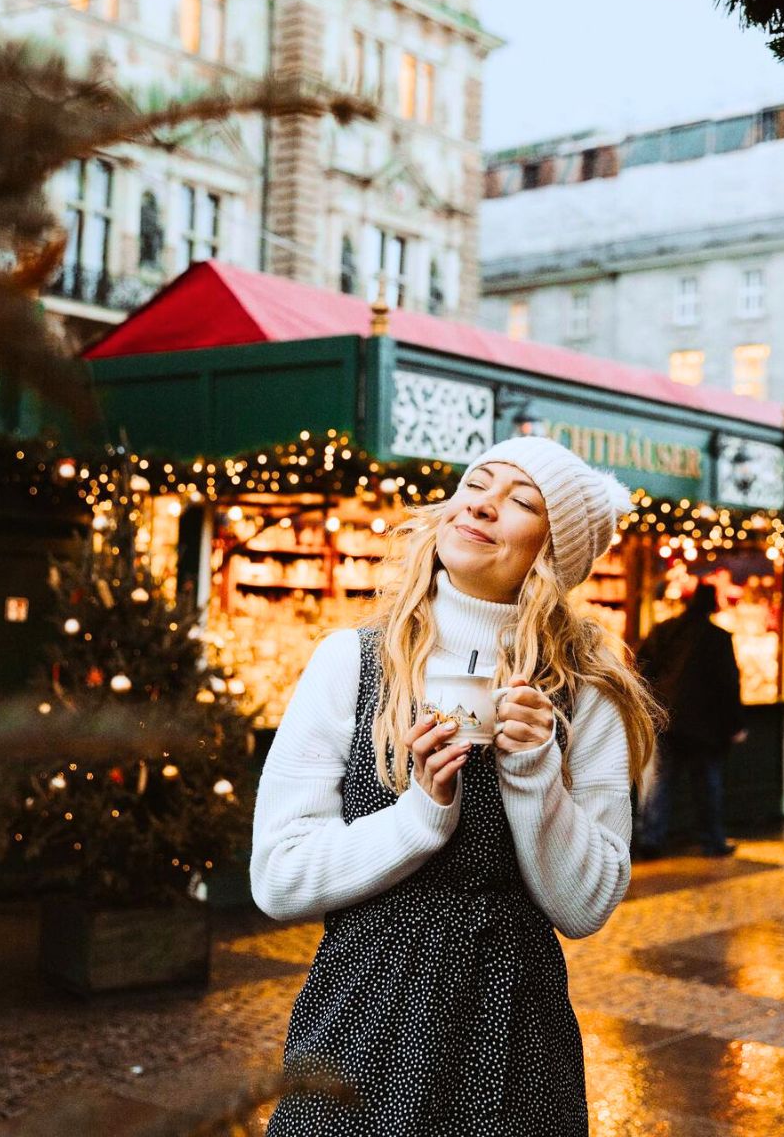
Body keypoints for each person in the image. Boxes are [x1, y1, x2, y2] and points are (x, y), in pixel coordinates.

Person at [251, 437, 658, 1136]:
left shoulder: (587, 693)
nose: (484, 503)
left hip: (515, 1027)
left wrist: (533, 773)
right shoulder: (351, 661)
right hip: (364, 1009)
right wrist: (420, 817)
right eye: (479, 482)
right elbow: (277, 878)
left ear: (552, 553)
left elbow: (587, 905)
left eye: (523, 501)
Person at [635, 581, 746, 859]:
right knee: (707, 782)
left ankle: (651, 837)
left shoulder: (666, 630)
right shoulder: (718, 638)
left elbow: (641, 667)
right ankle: (712, 840)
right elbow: (728, 683)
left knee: (662, 780)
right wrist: (735, 724)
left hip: (667, 718)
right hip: (705, 724)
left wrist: (653, 701)